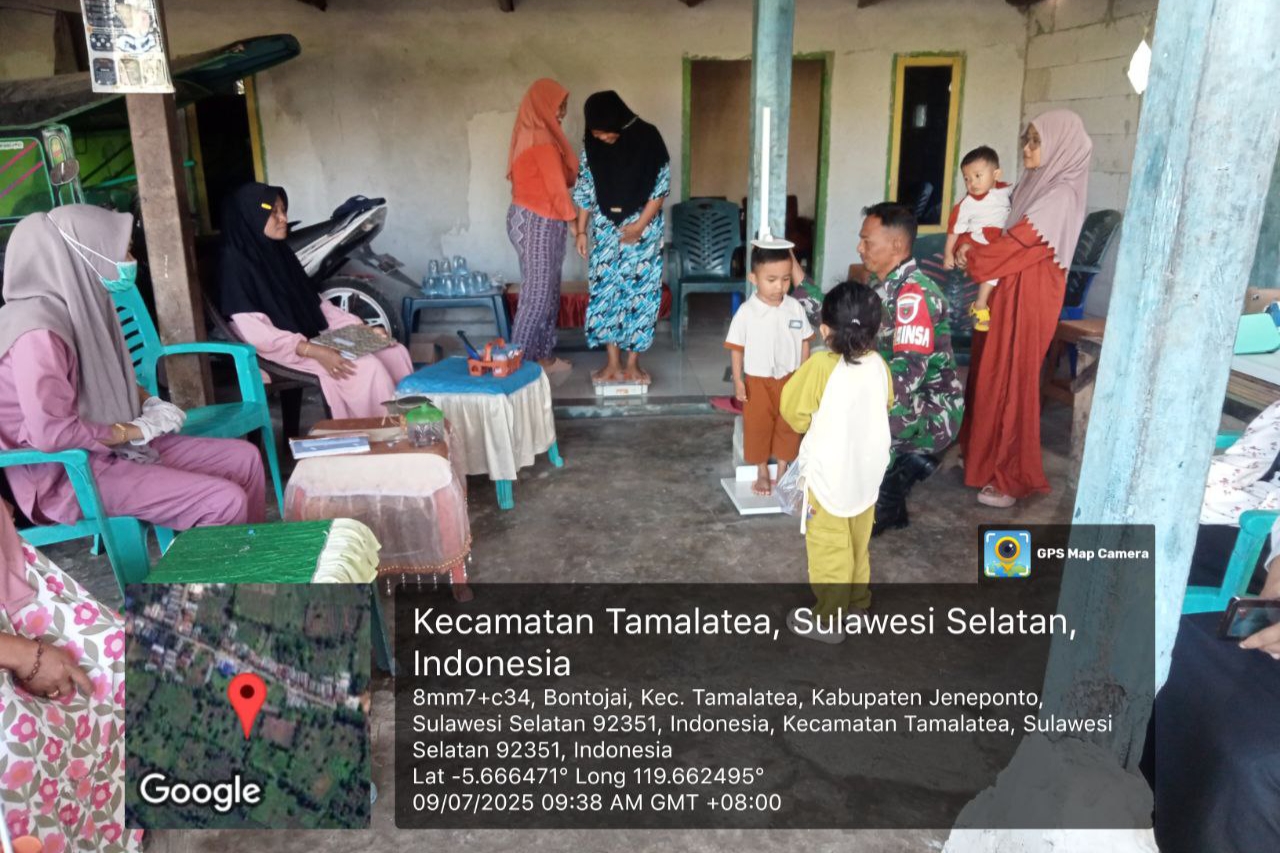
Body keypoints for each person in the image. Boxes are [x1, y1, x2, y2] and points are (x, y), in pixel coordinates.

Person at [0, 206, 265, 531]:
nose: (129, 259)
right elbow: (52, 433)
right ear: (84, 256)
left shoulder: (81, 308)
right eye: (120, 250)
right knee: (224, 501)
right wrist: (132, 431)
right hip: (68, 472)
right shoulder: (36, 332)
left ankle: (255, 555)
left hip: (112, 449)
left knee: (245, 460)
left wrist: (148, 402)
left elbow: (100, 379)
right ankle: (221, 565)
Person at [956, 110, 1092, 508]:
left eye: (1036, 141)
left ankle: (1010, 477)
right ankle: (982, 461)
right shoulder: (1032, 185)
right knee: (989, 375)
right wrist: (968, 244)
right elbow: (996, 228)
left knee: (1012, 381)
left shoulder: (1061, 194)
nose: (1027, 148)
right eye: (1026, 140)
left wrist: (974, 256)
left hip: (1029, 298)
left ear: (1060, 145)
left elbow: (1018, 245)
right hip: (1005, 292)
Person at [0, 501, 142, 852]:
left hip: (12, 582)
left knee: (118, 653)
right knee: (16, 748)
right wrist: (23, 655)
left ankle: (120, 827)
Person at [220, 182, 415, 420]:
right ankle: (382, 432)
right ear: (252, 216)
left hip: (309, 340)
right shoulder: (235, 264)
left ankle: (412, 424)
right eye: (273, 213)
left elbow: (315, 304)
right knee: (365, 368)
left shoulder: (279, 253)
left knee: (395, 352)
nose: (283, 218)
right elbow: (256, 333)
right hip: (279, 349)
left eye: (283, 210)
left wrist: (361, 330)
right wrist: (315, 351)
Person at [781, 282, 892, 644]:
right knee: (858, 541)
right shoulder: (879, 365)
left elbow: (794, 414)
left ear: (824, 330)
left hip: (828, 476)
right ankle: (857, 606)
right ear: (875, 329)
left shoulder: (819, 366)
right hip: (867, 474)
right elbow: (887, 403)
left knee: (829, 547)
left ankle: (828, 619)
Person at [856, 203, 964, 534]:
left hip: (933, 410)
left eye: (867, 241)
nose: (860, 248)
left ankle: (886, 502)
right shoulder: (883, 286)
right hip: (910, 400)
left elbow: (906, 374)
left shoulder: (913, 295)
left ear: (897, 245)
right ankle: (901, 481)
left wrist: (855, 399)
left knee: (859, 416)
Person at [573, 91, 671, 384]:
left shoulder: (649, 137)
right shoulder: (592, 145)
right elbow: (586, 189)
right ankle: (612, 363)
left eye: (605, 132)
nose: (602, 138)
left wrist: (639, 226)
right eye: (596, 134)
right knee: (606, 294)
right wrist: (581, 231)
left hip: (643, 232)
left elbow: (660, 189)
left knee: (640, 294)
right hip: (605, 232)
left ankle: (633, 365)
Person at [725, 246, 813, 496]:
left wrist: (803, 377)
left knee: (789, 423)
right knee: (758, 425)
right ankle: (762, 470)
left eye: (785, 279)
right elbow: (737, 348)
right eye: (771, 280)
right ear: (753, 278)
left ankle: (783, 469)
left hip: (790, 379)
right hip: (757, 380)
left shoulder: (795, 308)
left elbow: (805, 342)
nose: (779, 286)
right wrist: (738, 380)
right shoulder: (746, 312)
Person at [507, 78, 577, 374]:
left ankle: (543, 358)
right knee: (536, 298)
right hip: (537, 220)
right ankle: (516, 366)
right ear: (542, 104)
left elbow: (560, 182)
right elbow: (556, 188)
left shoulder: (536, 133)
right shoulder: (540, 138)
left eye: (564, 106)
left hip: (538, 218)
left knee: (547, 294)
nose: (561, 112)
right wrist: (575, 224)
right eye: (557, 106)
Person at [943, 146, 1011, 332]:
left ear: (996, 174)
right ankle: (980, 304)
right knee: (995, 266)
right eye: (967, 178)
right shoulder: (968, 203)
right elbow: (954, 229)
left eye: (978, 176)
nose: (972, 183)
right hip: (979, 242)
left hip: (997, 240)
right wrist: (948, 254)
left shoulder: (1006, 191)